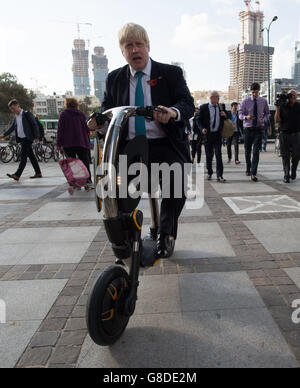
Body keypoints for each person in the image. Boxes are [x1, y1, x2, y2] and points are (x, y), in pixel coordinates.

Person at [88, 23, 195, 258]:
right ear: (122, 51)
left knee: (175, 182)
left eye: (139, 44)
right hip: (130, 146)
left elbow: (188, 104)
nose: (135, 50)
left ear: (148, 46)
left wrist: (173, 112)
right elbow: (107, 110)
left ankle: (166, 234)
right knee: (114, 189)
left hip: (165, 143)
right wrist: (100, 122)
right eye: (129, 46)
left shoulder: (170, 74)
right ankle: (125, 238)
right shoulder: (114, 78)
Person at [0, 99, 42, 181]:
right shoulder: (16, 116)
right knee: (31, 156)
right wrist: (3, 135)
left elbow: (34, 125)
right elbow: (12, 127)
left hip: (28, 138)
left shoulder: (26, 114)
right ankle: (38, 172)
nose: (12, 110)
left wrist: (36, 136)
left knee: (23, 157)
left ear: (18, 106)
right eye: (11, 109)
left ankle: (17, 175)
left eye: (13, 108)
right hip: (21, 139)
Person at [56, 98, 92, 184]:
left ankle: (75, 180)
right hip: (81, 142)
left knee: (72, 162)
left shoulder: (63, 114)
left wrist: (58, 144)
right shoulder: (81, 114)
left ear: (67, 105)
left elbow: (60, 130)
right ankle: (88, 179)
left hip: (68, 143)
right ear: (76, 104)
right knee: (84, 161)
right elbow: (87, 128)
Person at [239, 82, 270, 182]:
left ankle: (253, 173)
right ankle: (248, 167)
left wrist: (264, 119)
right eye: (253, 92)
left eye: (256, 92)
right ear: (250, 92)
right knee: (247, 151)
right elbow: (240, 114)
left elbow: (267, 113)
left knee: (256, 152)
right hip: (248, 129)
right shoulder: (245, 101)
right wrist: (246, 117)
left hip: (258, 129)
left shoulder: (264, 101)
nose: (254, 94)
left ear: (259, 91)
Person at [196, 91, 227, 182]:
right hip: (208, 135)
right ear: (211, 98)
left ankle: (219, 175)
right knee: (209, 155)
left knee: (218, 155)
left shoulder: (221, 106)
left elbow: (226, 118)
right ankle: (209, 172)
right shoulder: (203, 107)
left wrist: (225, 115)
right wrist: (202, 129)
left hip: (217, 134)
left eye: (218, 97)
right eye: (217, 97)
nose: (218, 98)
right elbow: (198, 120)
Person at [275, 89, 300, 183]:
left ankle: (293, 170)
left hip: (296, 134)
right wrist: (277, 108)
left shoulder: (299, 105)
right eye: (290, 95)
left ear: (296, 96)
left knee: (296, 156)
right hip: (284, 134)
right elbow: (277, 120)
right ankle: (286, 174)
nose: (292, 97)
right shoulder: (283, 106)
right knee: (285, 156)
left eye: (294, 95)